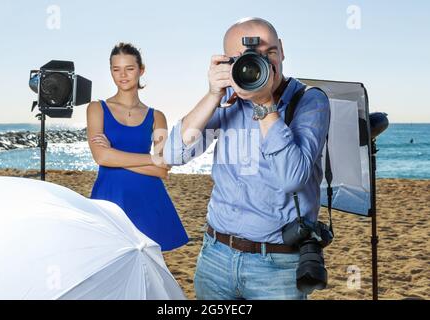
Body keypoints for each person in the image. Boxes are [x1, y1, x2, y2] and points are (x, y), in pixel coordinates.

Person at [164, 18, 330, 299]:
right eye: (245, 59)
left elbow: (291, 178)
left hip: (276, 266)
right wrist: (212, 95)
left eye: (269, 53)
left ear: (283, 50)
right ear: (227, 63)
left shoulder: (310, 101)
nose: (259, 64)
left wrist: (264, 105)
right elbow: (173, 154)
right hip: (216, 255)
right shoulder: (226, 99)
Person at [87, 42, 188, 251]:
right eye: (116, 69)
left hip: (149, 199)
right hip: (110, 198)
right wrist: (152, 159)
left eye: (129, 69)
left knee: (149, 271)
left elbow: (163, 169)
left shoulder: (157, 116)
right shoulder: (96, 108)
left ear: (141, 70)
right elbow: (101, 158)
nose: (122, 75)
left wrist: (114, 155)